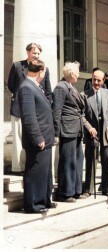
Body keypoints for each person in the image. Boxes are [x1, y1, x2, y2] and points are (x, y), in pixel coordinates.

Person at [52, 61, 94, 203]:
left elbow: (79, 111)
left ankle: (75, 191)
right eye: (77, 73)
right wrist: (56, 133)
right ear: (70, 74)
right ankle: (65, 193)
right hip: (67, 129)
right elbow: (56, 112)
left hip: (76, 129)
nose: (78, 75)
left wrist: (88, 128)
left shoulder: (72, 87)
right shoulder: (61, 87)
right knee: (68, 161)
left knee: (77, 160)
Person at [18, 60, 56, 213]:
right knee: (35, 174)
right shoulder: (27, 87)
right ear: (41, 71)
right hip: (38, 140)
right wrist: (38, 137)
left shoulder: (34, 86)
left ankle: (44, 200)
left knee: (44, 174)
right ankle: (34, 204)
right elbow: (29, 117)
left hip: (45, 138)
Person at [8, 43, 52, 172]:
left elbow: (48, 90)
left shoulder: (44, 68)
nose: (36, 55)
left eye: (38, 53)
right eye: (34, 53)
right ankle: (19, 167)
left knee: (32, 136)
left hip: (37, 108)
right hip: (18, 107)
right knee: (18, 138)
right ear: (27, 52)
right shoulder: (17, 66)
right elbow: (11, 84)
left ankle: (29, 165)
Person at [81, 69, 108, 197]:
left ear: (103, 81)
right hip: (92, 131)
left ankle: (106, 188)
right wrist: (89, 127)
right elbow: (82, 115)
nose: (96, 82)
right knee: (91, 159)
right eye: (94, 79)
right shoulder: (84, 95)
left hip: (105, 131)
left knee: (106, 159)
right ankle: (88, 189)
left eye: (99, 80)